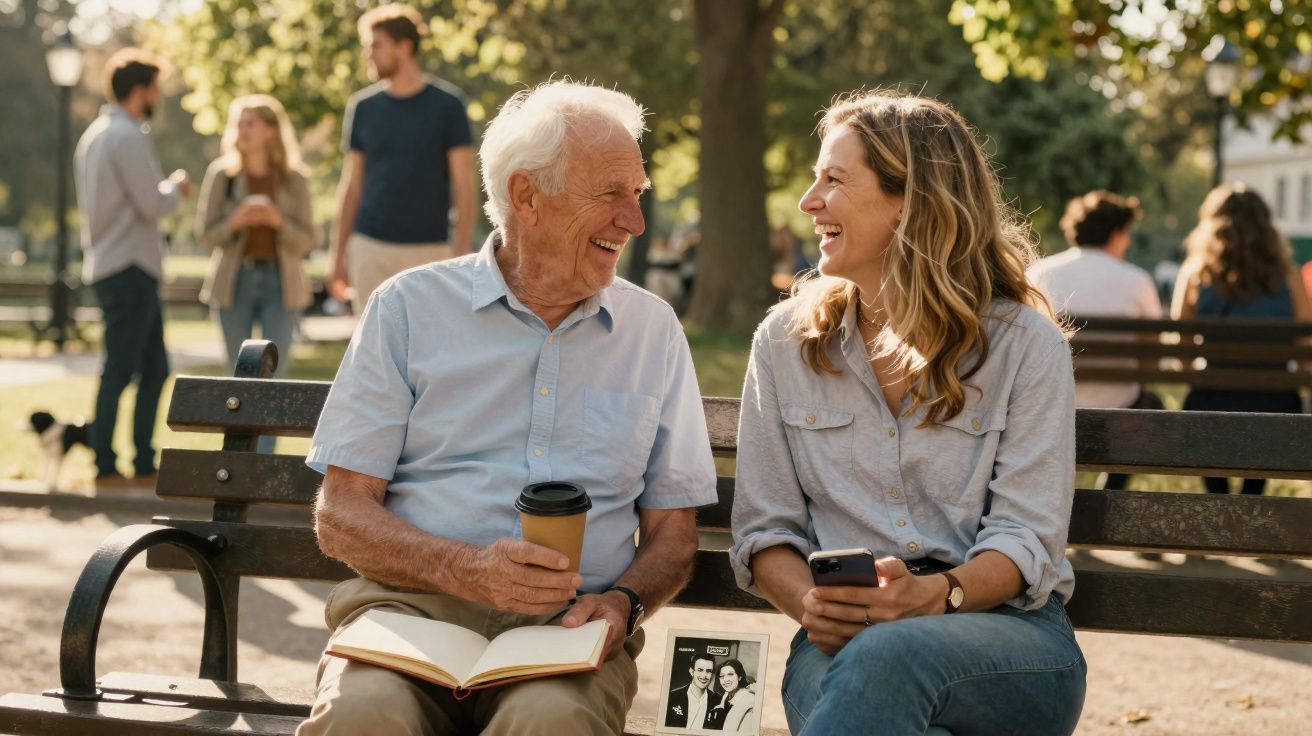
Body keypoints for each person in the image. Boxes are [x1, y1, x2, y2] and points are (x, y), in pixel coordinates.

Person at [297, 80, 718, 736]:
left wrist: (624, 603)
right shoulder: (407, 309)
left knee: (549, 723)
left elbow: (674, 530)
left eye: (637, 195)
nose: (633, 223)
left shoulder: (652, 331)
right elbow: (341, 512)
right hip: (409, 617)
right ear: (528, 196)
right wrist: (464, 569)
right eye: (610, 194)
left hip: (568, 635)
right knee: (363, 714)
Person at [730, 90, 1086, 736]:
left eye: (833, 181)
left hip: (1009, 640)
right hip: (838, 646)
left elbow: (1026, 539)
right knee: (879, 677)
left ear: (909, 203)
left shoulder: (1025, 347)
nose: (809, 204)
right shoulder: (784, 345)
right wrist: (813, 605)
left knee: (885, 661)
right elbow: (765, 533)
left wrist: (933, 595)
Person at [74, 47, 191, 489]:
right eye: (155, 88)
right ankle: (107, 462)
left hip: (111, 263)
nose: (157, 97)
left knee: (152, 368)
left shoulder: (95, 135)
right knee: (123, 367)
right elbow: (152, 203)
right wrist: (177, 187)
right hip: (130, 265)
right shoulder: (128, 135)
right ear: (140, 90)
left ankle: (141, 459)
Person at [325, 3, 476, 314]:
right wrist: (337, 257)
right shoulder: (362, 107)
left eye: (376, 45)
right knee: (373, 354)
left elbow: (465, 185)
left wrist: (459, 256)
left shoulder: (448, 106)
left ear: (404, 47)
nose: (368, 54)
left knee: (429, 351)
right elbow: (351, 186)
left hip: (430, 249)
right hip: (369, 246)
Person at [1170, 184, 1312, 495]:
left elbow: (1181, 350)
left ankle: (1220, 499)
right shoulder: (1286, 274)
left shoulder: (1196, 273)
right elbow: (1304, 349)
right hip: (1275, 403)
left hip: (1210, 401)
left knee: (1200, 406)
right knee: (1267, 437)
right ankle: (1251, 497)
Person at [1028, 190, 1164, 491]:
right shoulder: (1136, 279)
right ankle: (1111, 489)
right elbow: (1152, 352)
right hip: (1121, 405)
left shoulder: (1039, 274)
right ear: (1116, 234)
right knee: (1152, 402)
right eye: (1126, 235)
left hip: (1053, 403)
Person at [195, 95, 316, 432]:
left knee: (272, 381)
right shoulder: (223, 175)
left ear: (270, 131)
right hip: (235, 283)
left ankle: (263, 467)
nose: (241, 131)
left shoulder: (295, 179)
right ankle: (238, 460)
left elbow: (308, 239)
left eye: (250, 123)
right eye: (238, 123)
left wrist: (279, 222)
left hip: (282, 284)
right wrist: (235, 220)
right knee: (238, 380)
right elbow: (205, 234)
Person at [704, 658, 755, 733]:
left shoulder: (748, 699)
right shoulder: (726, 695)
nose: (725, 679)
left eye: (730, 674)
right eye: (721, 676)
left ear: (740, 677)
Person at [664, 654, 715, 730]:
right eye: (700, 670)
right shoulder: (672, 696)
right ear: (692, 671)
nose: (704, 675)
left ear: (712, 675)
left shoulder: (719, 701)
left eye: (709, 671)